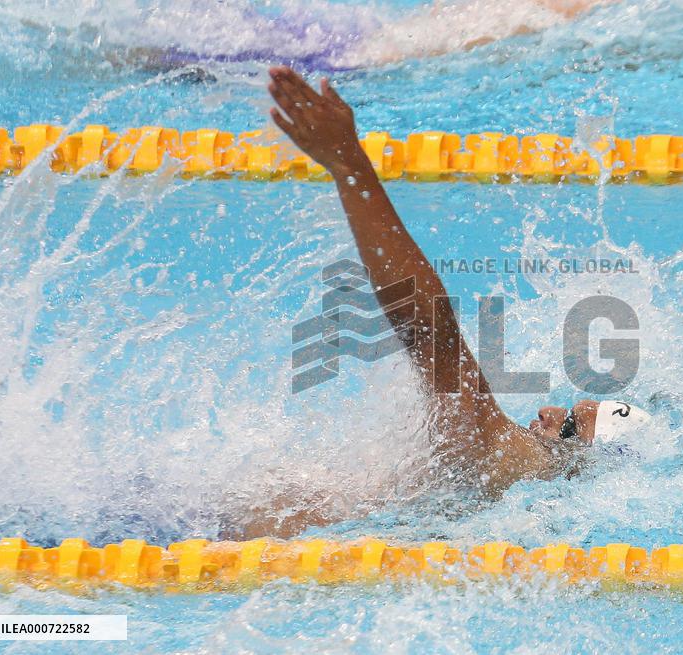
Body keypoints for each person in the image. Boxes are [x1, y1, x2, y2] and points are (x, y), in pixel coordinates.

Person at [249, 66, 649, 537]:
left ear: (580, 465)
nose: (547, 412)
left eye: (567, 429)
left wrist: (349, 165)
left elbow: (428, 329)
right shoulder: (519, 490)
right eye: (566, 408)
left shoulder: (511, 462)